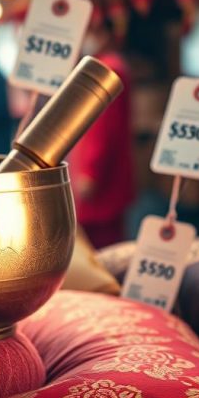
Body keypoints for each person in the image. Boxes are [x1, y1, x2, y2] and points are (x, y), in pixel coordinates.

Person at [66, 16, 135, 248]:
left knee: (101, 253)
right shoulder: (109, 66)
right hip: (106, 172)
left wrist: (90, 172)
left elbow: (102, 128)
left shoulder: (105, 70)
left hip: (100, 179)